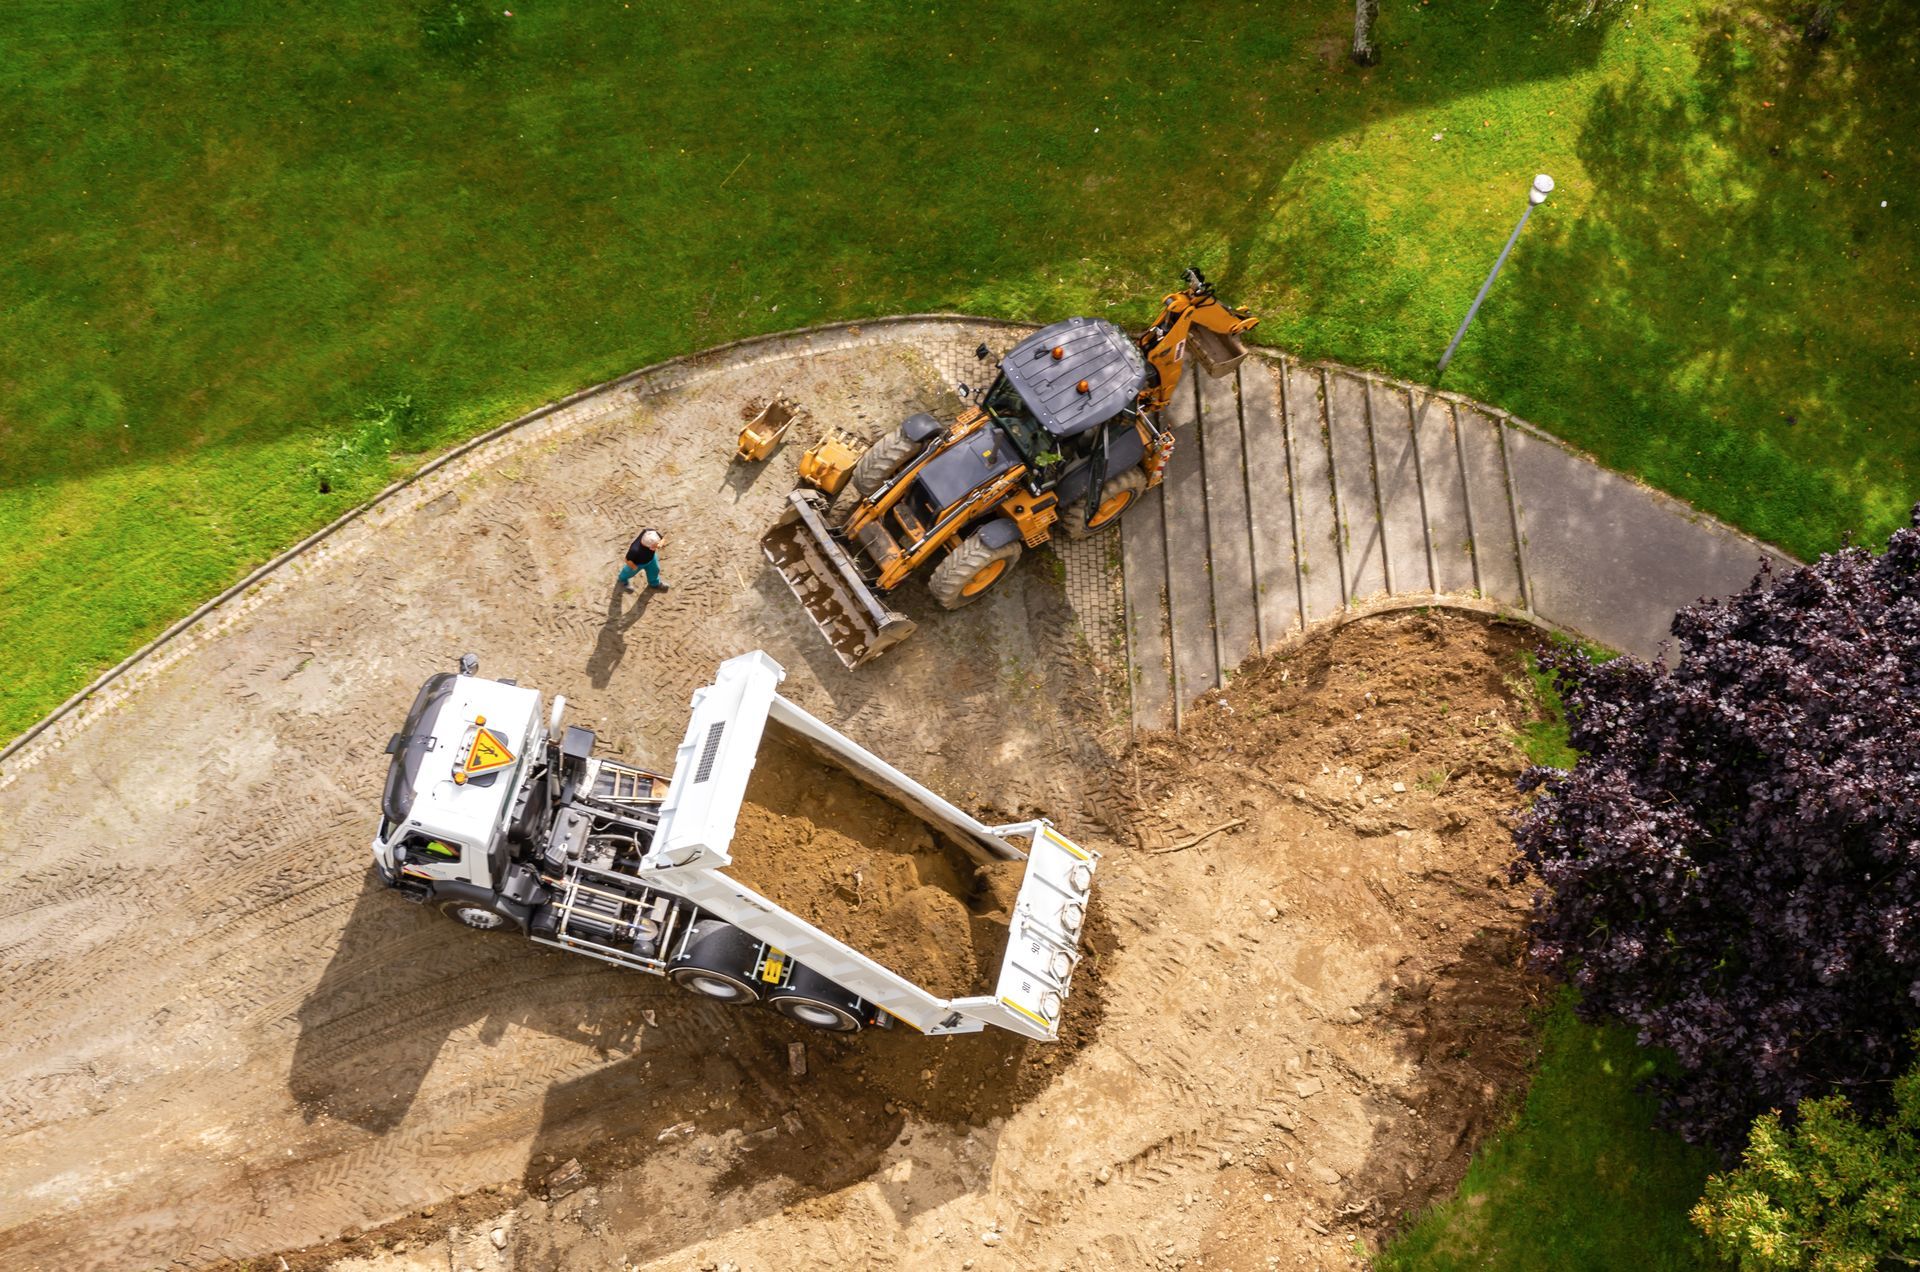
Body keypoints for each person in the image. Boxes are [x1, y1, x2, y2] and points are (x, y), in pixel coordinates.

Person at [618, 528, 669, 593]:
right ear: (648, 546)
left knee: (655, 570)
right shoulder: (634, 550)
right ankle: (623, 580)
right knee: (627, 572)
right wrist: (634, 567)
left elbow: (662, 539)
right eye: (654, 547)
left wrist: (660, 544)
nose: (657, 548)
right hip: (637, 563)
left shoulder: (650, 533)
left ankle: (654, 583)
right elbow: (627, 560)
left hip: (651, 559)